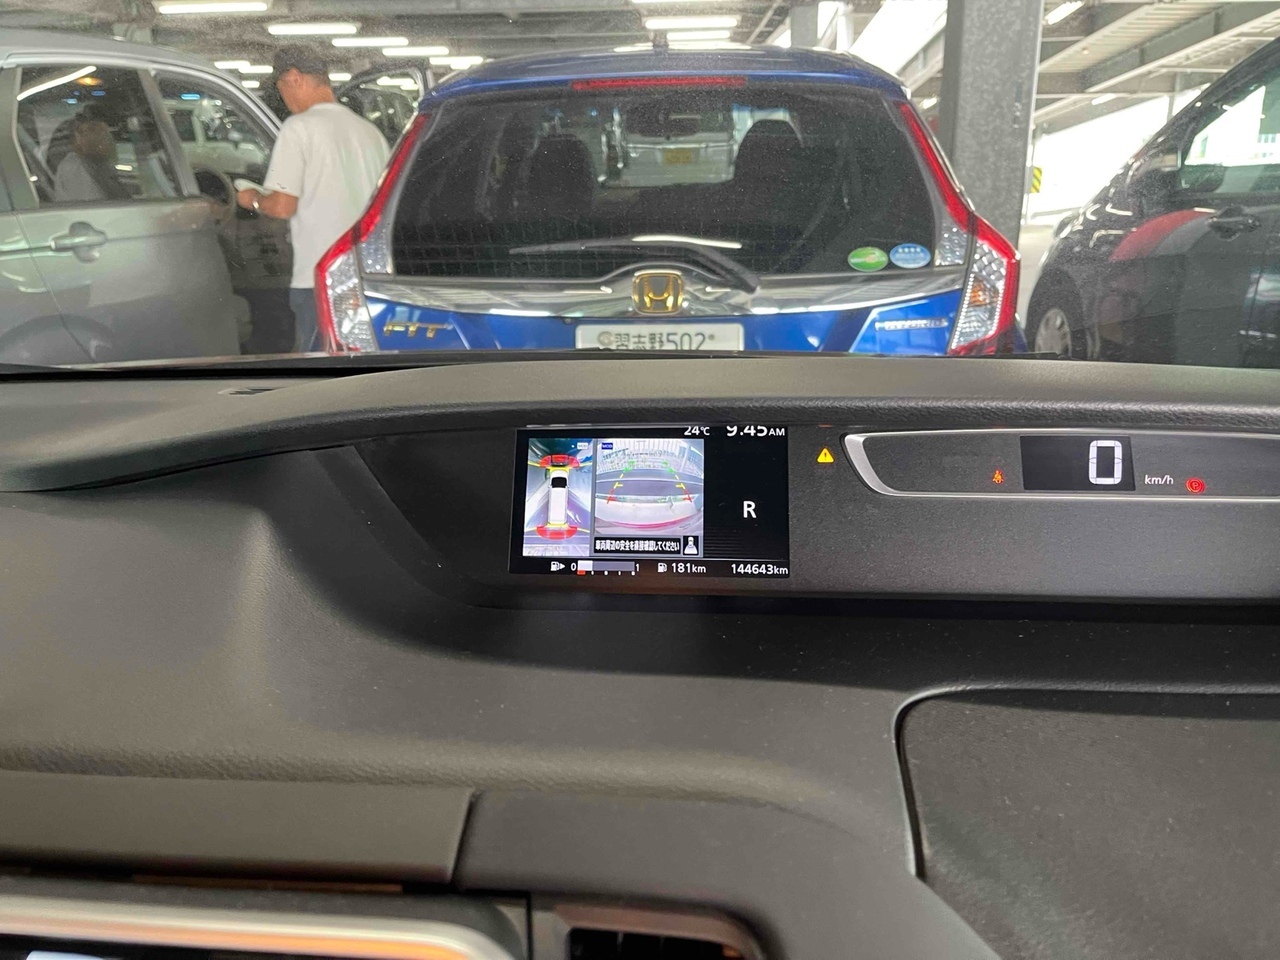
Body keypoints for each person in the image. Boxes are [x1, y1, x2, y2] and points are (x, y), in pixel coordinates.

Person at [236, 46, 389, 351]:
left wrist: (251, 198)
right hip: (368, 278)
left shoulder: (299, 128)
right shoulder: (371, 133)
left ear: (294, 78)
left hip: (320, 279)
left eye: (280, 86)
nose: (283, 96)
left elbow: (282, 206)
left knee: (322, 365)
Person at [54, 106, 129, 203]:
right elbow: (93, 207)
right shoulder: (73, 167)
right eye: (104, 134)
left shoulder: (101, 165)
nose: (110, 141)